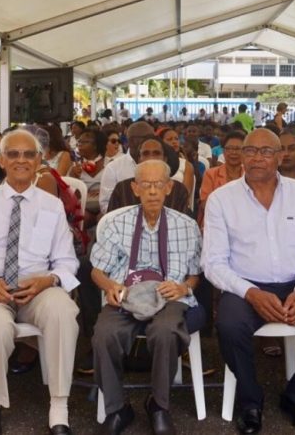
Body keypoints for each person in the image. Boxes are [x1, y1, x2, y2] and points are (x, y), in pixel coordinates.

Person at [203, 128, 295, 435]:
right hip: (245, 287)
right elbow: (213, 263)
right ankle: (250, 401)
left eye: (266, 151)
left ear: (280, 156)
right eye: (250, 151)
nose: (257, 158)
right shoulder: (221, 199)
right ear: (240, 155)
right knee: (229, 326)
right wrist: (252, 293)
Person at [0, 130, 80, 435]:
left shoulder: (52, 205)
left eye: (29, 155)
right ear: (2, 160)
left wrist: (48, 280)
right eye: (14, 154)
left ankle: (59, 405)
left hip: (36, 286)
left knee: (63, 311)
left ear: (39, 161)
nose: (22, 160)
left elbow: (66, 260)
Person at [91, 159, 203, 435]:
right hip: (125, 294)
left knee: (165, 332)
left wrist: (184, 288)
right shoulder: (116, 222)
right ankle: (117, 408)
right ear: (135, 188)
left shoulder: (187, 226)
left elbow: (194, 273)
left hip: (168, 295)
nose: (152, 191)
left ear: (169, 188)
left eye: (158, 185)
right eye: (146, 185)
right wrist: (109, 286)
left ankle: (158, 405)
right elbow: (97, 271)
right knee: (104, 335)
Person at [107, 138, 191, 215]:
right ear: (139, 159)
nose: (151, 157)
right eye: (146, 153)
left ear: (165, 159)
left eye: (156, 153)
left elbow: (184, 224)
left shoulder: (178, 189)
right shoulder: (122, 189)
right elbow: (110, 221)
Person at [99, 122, 154, 213]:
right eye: (147, 138)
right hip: (124, 222)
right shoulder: (113, 168)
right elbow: (106, 205)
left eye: (154, 138)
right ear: (131, 141)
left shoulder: (159, 166)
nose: (152, 142)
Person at [198, 132, 243, 226]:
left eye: (238, 149)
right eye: (229, 149)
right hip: (216, 222)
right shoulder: (211, 174)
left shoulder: (250, 175)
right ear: (223, 151)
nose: (233, 152)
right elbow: (205, 204)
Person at [68, 128, 107, 215]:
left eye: (84, 142)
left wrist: (103, 190)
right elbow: (72, 197)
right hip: (85, 206)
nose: (79, 145)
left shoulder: (109, 164)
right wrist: (74, 177)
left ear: (95, 146)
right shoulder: (75, 166)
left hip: (105, 205)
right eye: (79, 142)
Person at [161, 128, 195, 196]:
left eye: (176, 139)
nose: (174, 142)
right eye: (169, 139)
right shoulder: (156, 163)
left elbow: (186, 194)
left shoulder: (186, 165)